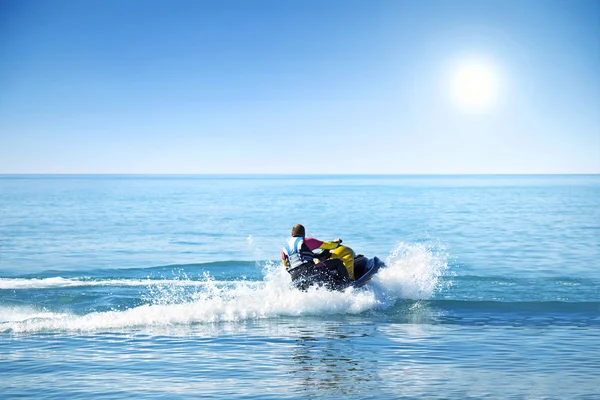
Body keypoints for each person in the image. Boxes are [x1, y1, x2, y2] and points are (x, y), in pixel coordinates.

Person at [281, 224, 350, 289]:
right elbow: (329, 245)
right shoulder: (306, 241)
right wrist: (337, 242)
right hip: (309, 271)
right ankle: (347, 285)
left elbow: (286, 264)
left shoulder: (284, 249)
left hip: (295, 277)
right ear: (304, 234)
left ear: (292, 234)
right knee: (337, 262)